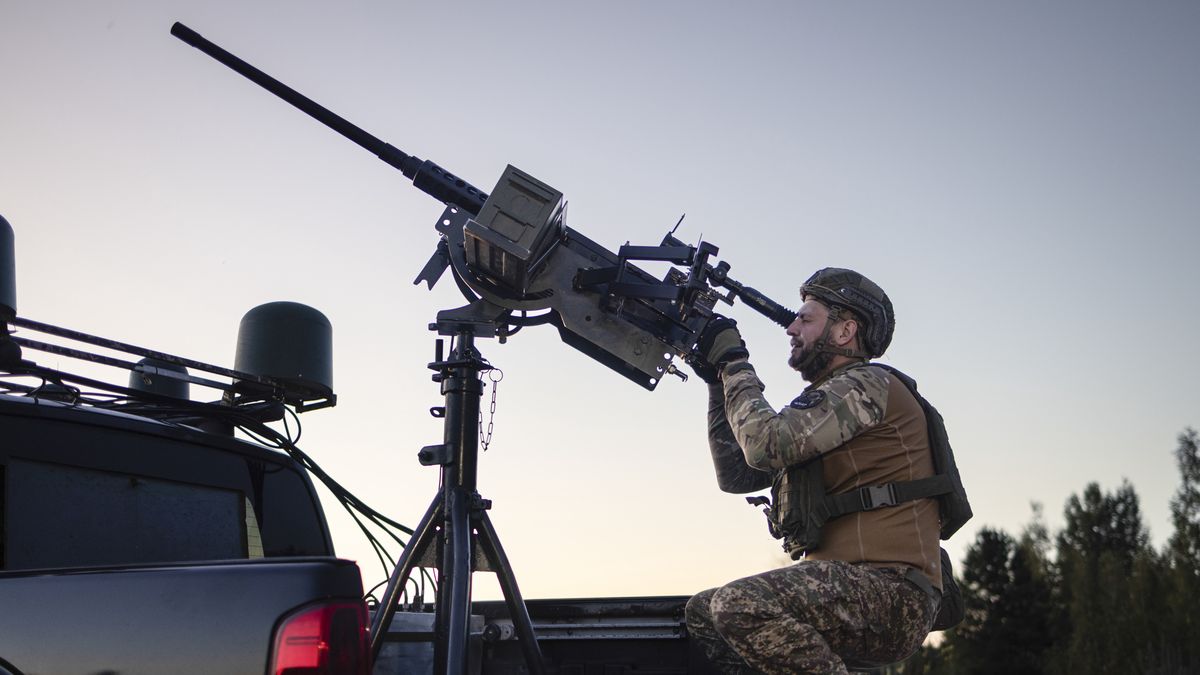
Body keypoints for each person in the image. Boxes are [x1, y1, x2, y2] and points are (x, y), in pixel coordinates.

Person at [686, 267, 942, 674]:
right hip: (846, 588)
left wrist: (735, 363)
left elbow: (766, 446)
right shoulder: (829, 406)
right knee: (702, 613)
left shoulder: (866, 386)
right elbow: (738, 475)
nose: (791, 327)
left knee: (738, 605)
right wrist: (719, 383)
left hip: (892, 593)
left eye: (806, 318)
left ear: (845, 332)